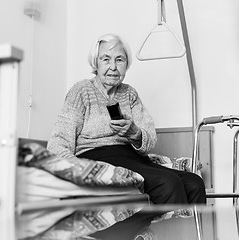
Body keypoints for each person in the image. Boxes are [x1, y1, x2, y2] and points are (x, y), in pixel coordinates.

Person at [47, 33, 206, 204]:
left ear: (126, 64)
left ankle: (194, 231)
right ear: (96, 63)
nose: (113, 67)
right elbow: (57, 144)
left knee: (194, 183)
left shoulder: (130, 94)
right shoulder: (81, 91)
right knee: (167, 183)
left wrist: (135, 133)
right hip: (98, 159)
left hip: (133, 159)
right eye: (106, 59)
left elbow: (149, 139)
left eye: (119, 60)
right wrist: (84, 171)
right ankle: (167, 232)